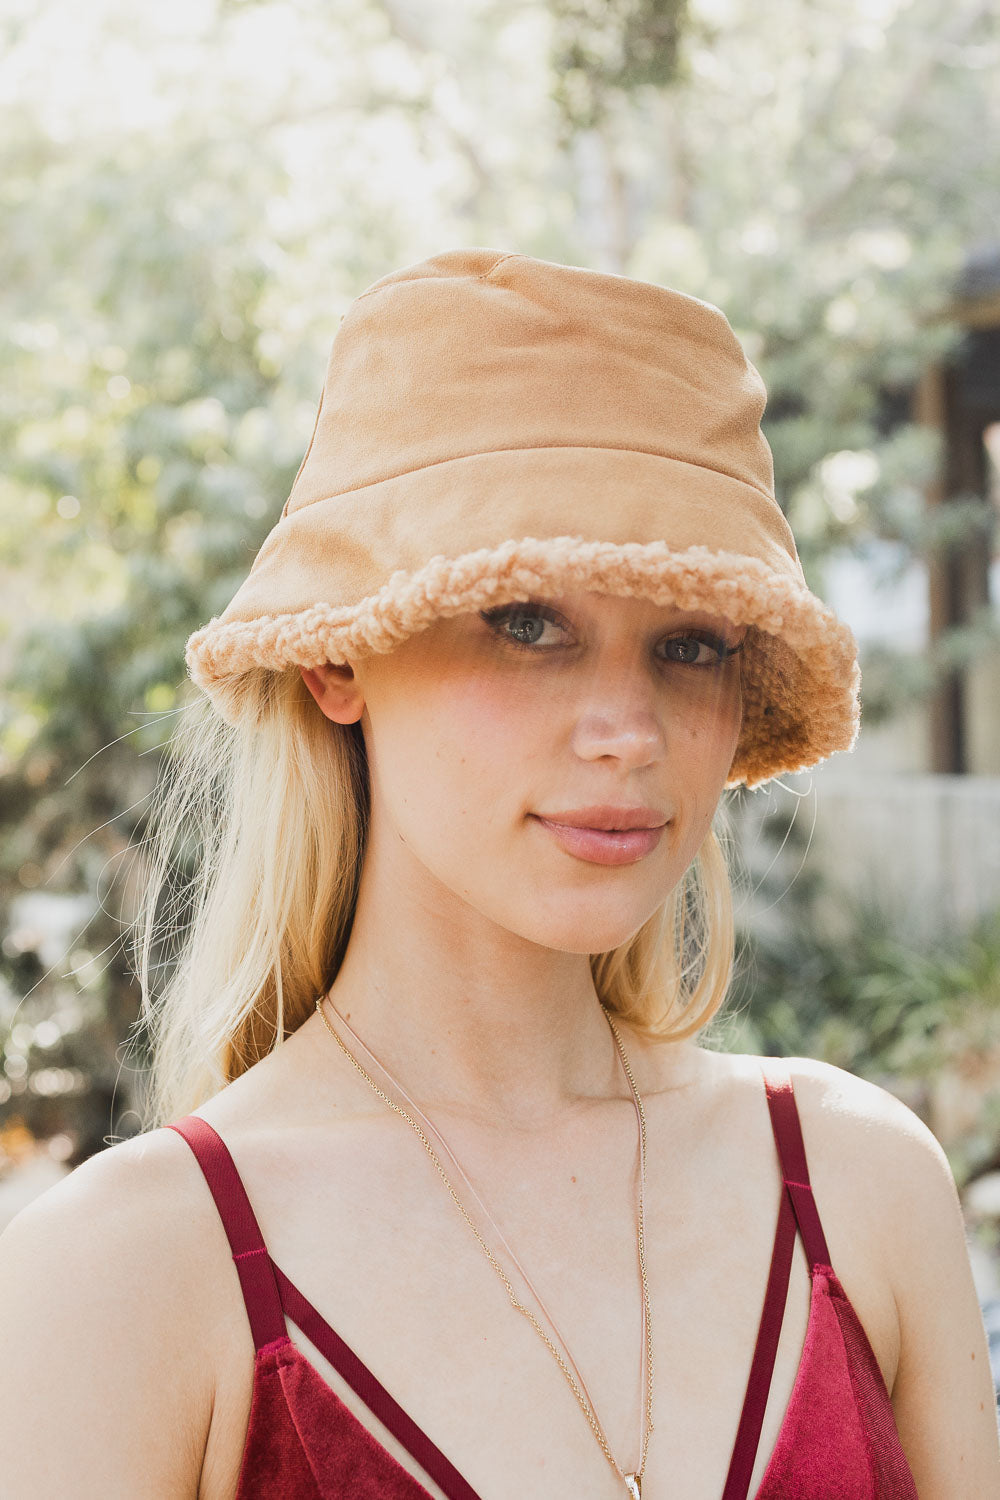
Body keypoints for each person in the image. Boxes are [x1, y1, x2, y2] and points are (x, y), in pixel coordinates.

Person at [0, 248, 997, 1500]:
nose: (627, 729)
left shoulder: (861, 1189)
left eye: (687, 645)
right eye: (527, 624)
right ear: (338, 659)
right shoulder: (128, 1278)